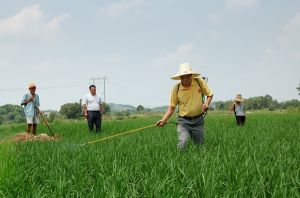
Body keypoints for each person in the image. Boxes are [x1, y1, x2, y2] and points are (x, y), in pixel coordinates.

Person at [157, 63, 213, 149]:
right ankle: (179, 160)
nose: (185, 78)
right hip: (183, 121)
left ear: (191, 75)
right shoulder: (176, 88)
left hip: (198, 120)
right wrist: (163, 120)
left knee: (200, 146)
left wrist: (206, 103)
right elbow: (172, 107)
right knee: (182, 143)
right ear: (180, 77)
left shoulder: (199, 82)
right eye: (183, 76)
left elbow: (209, 94)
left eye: (187, 76)